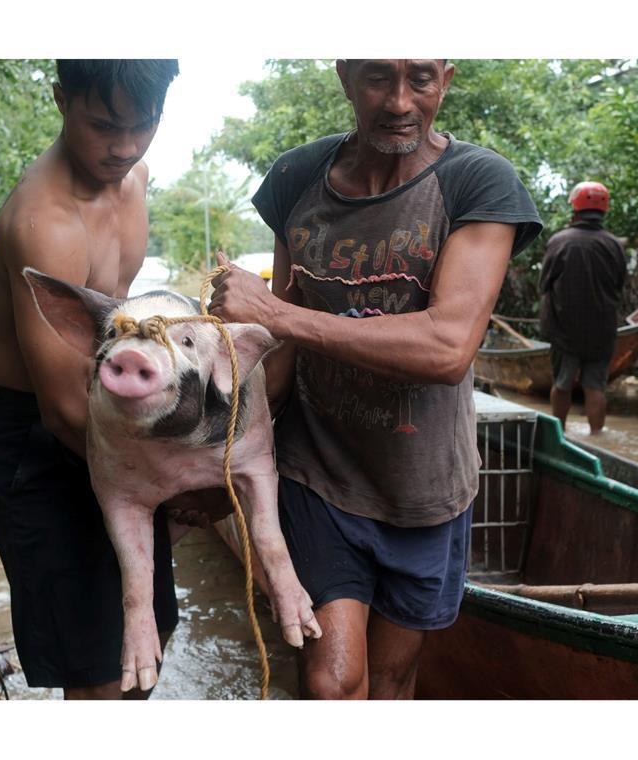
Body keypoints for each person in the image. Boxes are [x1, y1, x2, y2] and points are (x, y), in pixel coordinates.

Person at [207, 59, 542, 699]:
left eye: (419, 79)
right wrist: (218, 465)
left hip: (425, 492)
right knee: (333, 685)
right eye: (377, 78)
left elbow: (448, 345)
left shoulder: (478, 183)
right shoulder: (298, 178)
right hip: (319, 476)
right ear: (344, 76)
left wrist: (276, 312)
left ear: (445, 78)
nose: (398, 102)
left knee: (389, 683)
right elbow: (278, 361)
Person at [0, 59, 182, 699]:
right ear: (61, 99)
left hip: (108, 421)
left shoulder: (133, 179)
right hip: (35, 441)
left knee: (148, 639)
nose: (126, 147)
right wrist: (171, 480)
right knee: (98, 675)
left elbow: (118, 333)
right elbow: (60, 410)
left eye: (146, 125)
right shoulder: (45, 222)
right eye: (105, 126)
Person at [538, 180, 627, 434]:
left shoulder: (560, 241)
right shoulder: (614, 245)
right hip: (602, 331)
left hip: (565, 331)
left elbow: (545, 284)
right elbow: (620, 285)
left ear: (574, 210)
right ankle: (598, 438)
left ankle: (560, 436)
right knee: (595, 387)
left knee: (563, 384)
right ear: (604, 211)